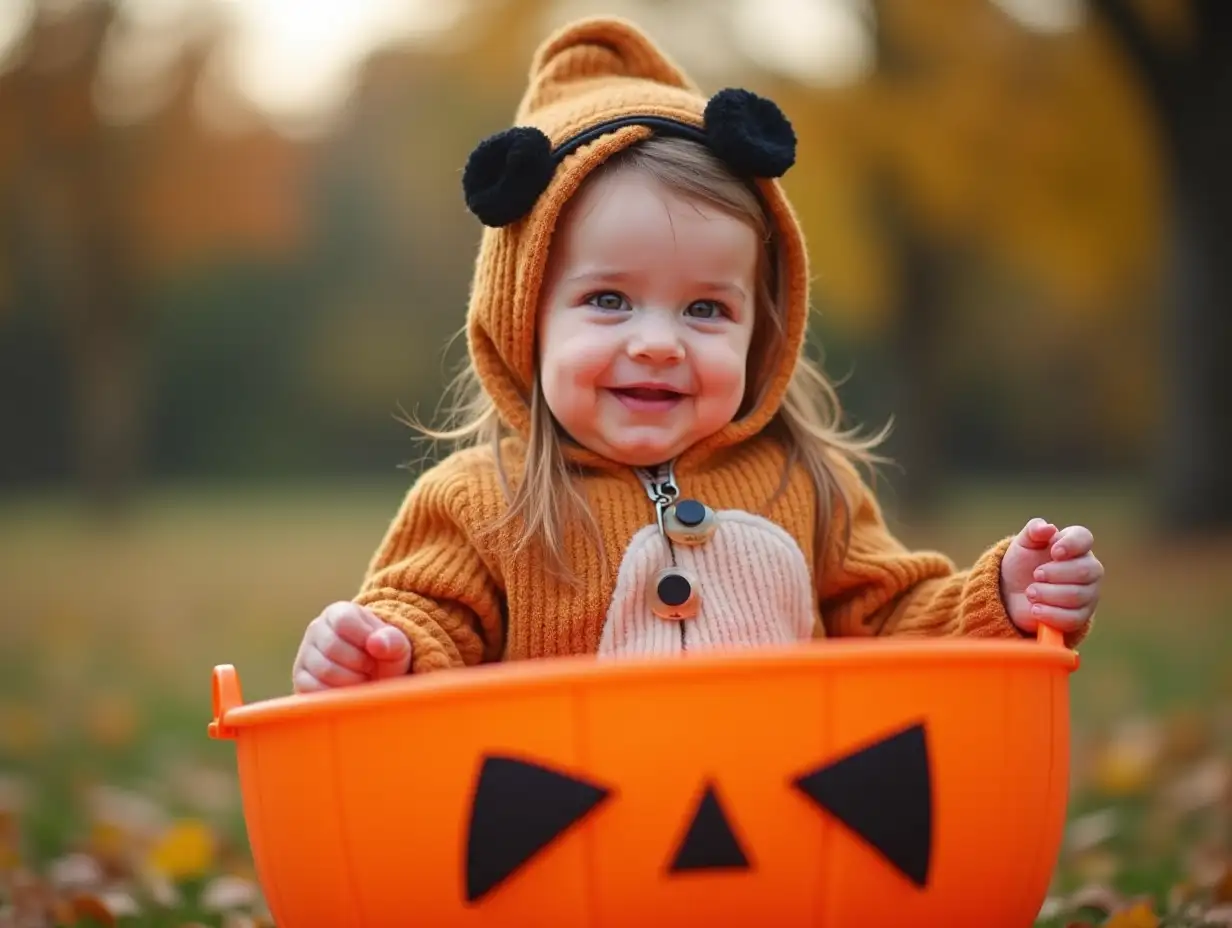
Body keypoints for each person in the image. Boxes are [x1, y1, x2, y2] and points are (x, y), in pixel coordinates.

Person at [291, 15, 1103, 693]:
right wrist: (378, 650)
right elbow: (430, 623)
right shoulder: (482, 503)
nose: (656, 343)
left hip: (782, 838)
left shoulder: (808, 486)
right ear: (523, 320)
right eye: (608, 300)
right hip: (575, 857)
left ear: (764, 332)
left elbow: (897, 622)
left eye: (706, 308)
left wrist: (1001, 597)